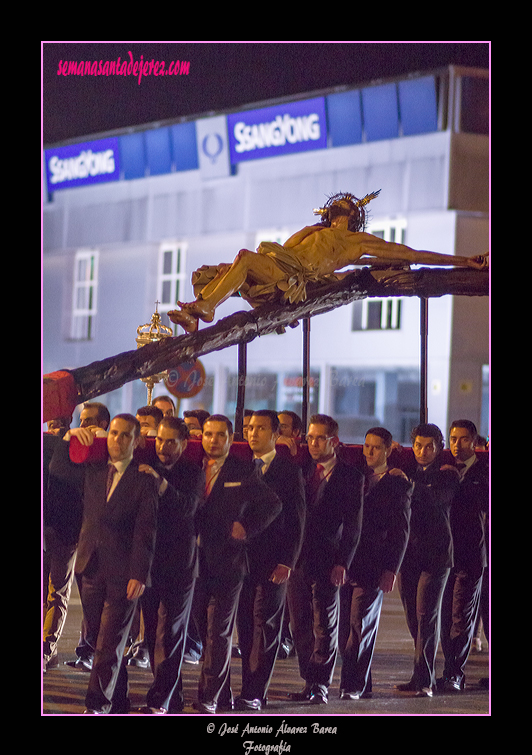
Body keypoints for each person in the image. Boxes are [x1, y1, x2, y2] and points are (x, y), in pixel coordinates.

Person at [168, 191, 487, 332]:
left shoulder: (358, 243)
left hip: (290, 279)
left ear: (352, 215)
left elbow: (412, 255)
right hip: (275, 264)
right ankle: (197, 313)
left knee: (243, 259)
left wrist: (463, 260)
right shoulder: (312, 231)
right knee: (211, 271)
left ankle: (206, 308)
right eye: (335, 204)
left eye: (343, 204)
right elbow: (282, 250)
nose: (337, 205)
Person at [49, 414, 158, 714]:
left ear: (136, 441)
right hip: (91, 567)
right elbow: (58, 472)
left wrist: (139, 573)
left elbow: (145, 531)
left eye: (125, 435)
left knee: (109, 644)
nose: (117, 440)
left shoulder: (143, 478)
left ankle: (97, 704)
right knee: (100, 641)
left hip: (125, 574)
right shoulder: (94, 470)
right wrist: (68, 439)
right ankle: (118, 699)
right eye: (113, 434)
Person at [192, 415, 282, 713]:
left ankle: (210, 697)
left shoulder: (242, 470)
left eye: (220, 435)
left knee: (219, 631)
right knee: (203, 629)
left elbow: (273, 504)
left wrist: (247, 526)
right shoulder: (193, 468)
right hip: (195, 565)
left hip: (228, 564)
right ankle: (223, 692)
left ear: (230, 439)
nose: (213, 440)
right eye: (208, 434)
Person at [287, 414, 364, 705]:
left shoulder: (349, 476)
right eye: (310, 437)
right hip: (297, 560)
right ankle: (309, 679)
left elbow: (353, 525)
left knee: (325, 626)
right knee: (300, 625)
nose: (313, 443)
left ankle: (320, 684)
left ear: (334, 441)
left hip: (329, 561)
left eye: (319, 438)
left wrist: (343, 562)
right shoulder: (301, 470)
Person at [235, 410, 306, 711]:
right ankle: (245, 687)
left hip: (273, 562)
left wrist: (287, 561)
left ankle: (256, 691)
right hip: (240, 563)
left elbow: (297, 520)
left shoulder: (289, 471)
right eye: (250, 428)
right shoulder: (240, 467)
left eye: (261, 428)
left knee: (266, 627)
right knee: (244, 628)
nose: (253, 433)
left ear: (276, 435)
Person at [135, 417, 204, 713]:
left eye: (171, 442)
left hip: (180, 564)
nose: (164, 447)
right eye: (160, 440)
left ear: (184, 444)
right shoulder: (145, 463)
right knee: (152, 632)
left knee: (171, 633)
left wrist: (160, 483)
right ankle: (171, 697)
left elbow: (188, 507)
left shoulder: (193, 472)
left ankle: (160, 700)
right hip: (150, 562)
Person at [338, 428, 412, 700]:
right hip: (347, 563)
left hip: (374, 563)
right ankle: (362, 682)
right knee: (345, 628)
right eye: (366, 446)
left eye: (376, 448)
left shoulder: (397, 484)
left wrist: (392, 568)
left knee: (361, 625)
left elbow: (400, 531)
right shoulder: (356, 477)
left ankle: (352, 686)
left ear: (388, 450)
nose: (369, 452)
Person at [396, 423, 459, 698]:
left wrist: (409, 483)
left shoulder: (447, 475)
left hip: (436, 557)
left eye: (429, 447)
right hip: (408, 557)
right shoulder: (407, 470)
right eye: (418, 446)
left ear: (439, 448)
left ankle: (425, 680)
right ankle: (420, 675)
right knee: (413, 618)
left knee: (427, 617)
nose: (422, 451)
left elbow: (435, 499)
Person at [438, 420, 489, 693]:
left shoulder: (484, 472)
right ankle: (449, 670)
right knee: (446, 618)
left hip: (470, 557)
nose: (458, 444)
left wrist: (460, 483)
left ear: (474, 441)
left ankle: (455, 673)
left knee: (462, 618)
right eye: (453, 438)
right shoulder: (442, 468)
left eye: (464, 439)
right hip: (444, 557)